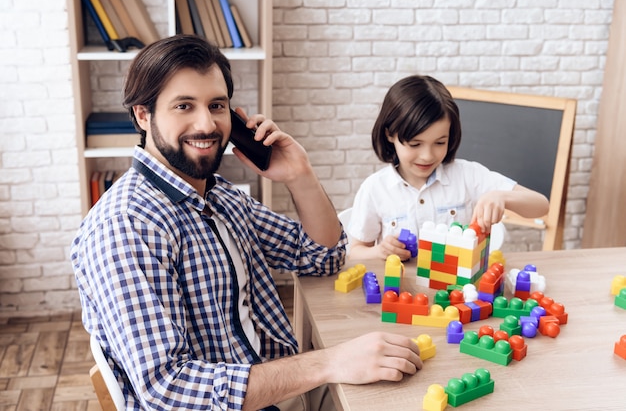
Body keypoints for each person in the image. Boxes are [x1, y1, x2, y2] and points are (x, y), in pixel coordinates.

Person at [70, 34, 423, 411]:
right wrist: (328, 362)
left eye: (216, 105)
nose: (206, 124)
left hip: (271, 389)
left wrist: (299, 174)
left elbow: (321, 256)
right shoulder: (126, 227)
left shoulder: (219, 196)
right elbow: (169, 389)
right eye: (184, 106)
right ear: (144, 115)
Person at [348, 75, 550, 261]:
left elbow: (541, 205)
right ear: (390, 134)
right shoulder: (375, 188)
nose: (427, 156)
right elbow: (355, 251)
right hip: (403, 293)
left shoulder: (467, 175)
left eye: (439, 142)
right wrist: (379, 250)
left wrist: (502, 197)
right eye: (415, 144)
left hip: (457, 292)